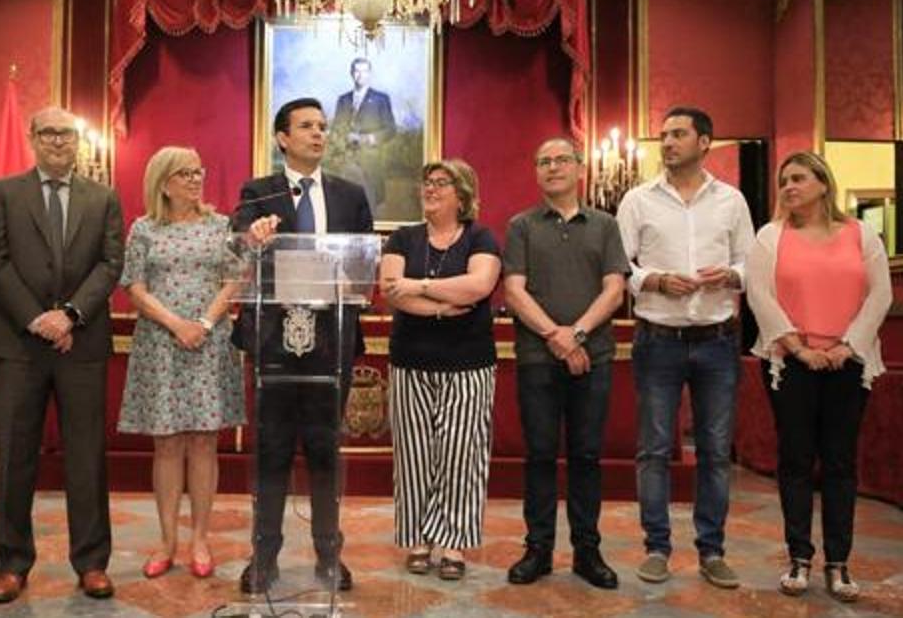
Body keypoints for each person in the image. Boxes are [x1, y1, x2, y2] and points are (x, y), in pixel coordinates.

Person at [0, 105, 125, 603]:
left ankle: (91, 563)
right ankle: (12, 565)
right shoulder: (3, 193)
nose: (58, 141)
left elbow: (110, 264)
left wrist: (70, 316)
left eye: (67, 134)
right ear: (32, 137)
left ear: (77, 141)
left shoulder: (103, 197)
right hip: (18, 344)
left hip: (80, 344)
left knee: (86, 456)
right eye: (49, 133)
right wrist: (36, 318)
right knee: (15, 456)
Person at [233, 97, 373, 595]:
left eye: (322, 126)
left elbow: (362, 268)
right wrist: (251, 236)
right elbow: (237, 242)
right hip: (274, 342)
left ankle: (328, 556)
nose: (318, 133)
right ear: (283, 138)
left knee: (324, 452)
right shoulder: (258, 192)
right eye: (306, 126)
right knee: (271, 452)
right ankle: (263, 557)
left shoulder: (351, 194)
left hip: (329, 343)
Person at [615, 106, 754, 589]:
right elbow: (619, 266)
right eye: (664, 135)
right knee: (653, 450)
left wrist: (733, 275)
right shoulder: (637, 200)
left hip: (717, 339)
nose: (667, 142)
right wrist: (653, 278)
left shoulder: (732, 201)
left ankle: (712, 550)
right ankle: (657, 547)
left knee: (716, 452)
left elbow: (751, 262)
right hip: (658, 339)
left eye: (678, 134)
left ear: (705, 142)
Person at [745, 152, 891, 602]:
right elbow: (760, 295)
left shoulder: (861, 234)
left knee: (840, 462)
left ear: (823, 184)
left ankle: (839, 563)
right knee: (795, 460)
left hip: (849, 362)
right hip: (791, 362)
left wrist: (848, 346)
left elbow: (880, 293)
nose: (789, 187)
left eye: (799, 179)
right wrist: (799, 348)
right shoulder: (772, 236)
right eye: (784, 180)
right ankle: (800, 558)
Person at [502, 138, 628, 589]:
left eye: (561, 160)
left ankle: (587, 552)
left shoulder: (606, 225)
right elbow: (514, 291)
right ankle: (537, 549)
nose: (552, 167)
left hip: (592, 358)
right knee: (538, 455)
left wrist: (575, 335)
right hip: (537, 357)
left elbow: (614, 290)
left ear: (579, 169)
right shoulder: (521, 226)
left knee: (586, 455)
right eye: (543, 161)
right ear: (536, 172)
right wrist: (555, 337)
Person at [119, 146, 244, 580]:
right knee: (168, 443)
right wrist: (176, 324)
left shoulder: (221, 225)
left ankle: (200, 540)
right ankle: (167, 540)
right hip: (161, 342)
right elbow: (133, 287)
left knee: (204, 441)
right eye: (185, 174)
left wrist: (204, 324)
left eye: (199, 171)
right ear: (164, 182)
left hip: (209, 343)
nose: (196, 180)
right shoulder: (144, 229)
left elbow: (234, 279)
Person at [379, 159, 500, 581]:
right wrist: (442, 309)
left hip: (469, 364)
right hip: (411, 360)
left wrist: (421, 286)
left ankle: (452, 542)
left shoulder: (481, 236)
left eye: (441, 183)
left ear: (462, 194)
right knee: (414, 454)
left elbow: (479, 285)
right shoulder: (403, 237)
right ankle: (418, 538)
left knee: (461, 454)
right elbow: (391, 290)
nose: (430, 189)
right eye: (426, 182)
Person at [331, 57, 397, 209]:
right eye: (356, 71)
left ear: (370, 74)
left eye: (364, 71)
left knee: (373, 205)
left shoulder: (381, 99)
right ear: (351, 74)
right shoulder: (343, 100)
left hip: (371, 160)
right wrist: (340, 138)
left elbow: (391, 129)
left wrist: (367, 139)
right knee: (344, 205)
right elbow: (336, 128)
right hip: (346, 160)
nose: (360, 75)